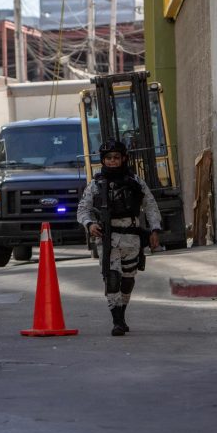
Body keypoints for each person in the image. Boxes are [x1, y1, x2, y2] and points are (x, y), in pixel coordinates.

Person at [76, 139, 162, 337]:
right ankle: (117, 320)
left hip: (132, 238)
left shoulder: (136, 182)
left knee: (128, 280)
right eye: (108, 158)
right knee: (112, 278)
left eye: (116, 158)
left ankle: (121, 313)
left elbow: (150, 205)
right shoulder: (96, 185)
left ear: (124, 158)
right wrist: (90, 224)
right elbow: (82, 209)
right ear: (103, 161)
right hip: (107, 238)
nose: (112, 161)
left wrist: (155, 230)